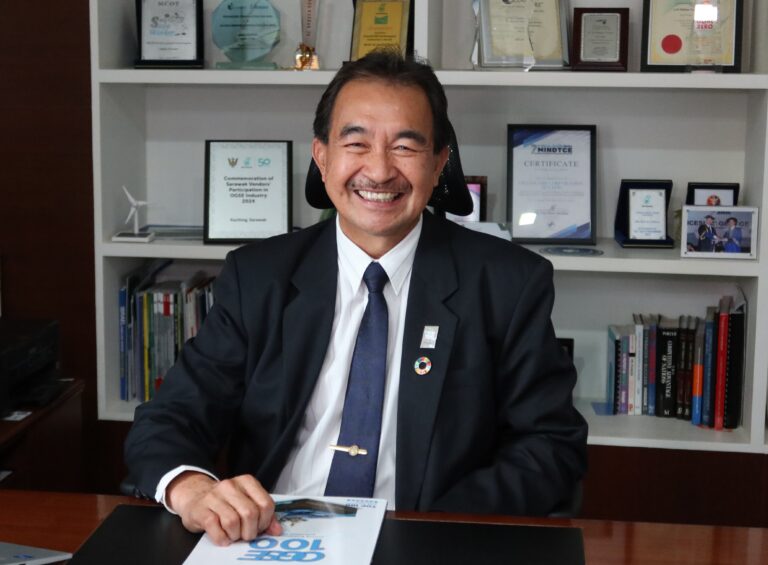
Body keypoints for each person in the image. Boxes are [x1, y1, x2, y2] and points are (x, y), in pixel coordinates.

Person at [124, 50, 588, 546]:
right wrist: (192, 488)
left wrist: (429, 530)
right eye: (356, 143)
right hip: (272, 539)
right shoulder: (258, 276)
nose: (380, 171)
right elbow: (171, 418)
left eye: (405, 147)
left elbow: (549, 447)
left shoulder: (507, 284)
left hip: (423, 541)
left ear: (439, 163)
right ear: (322, 156)